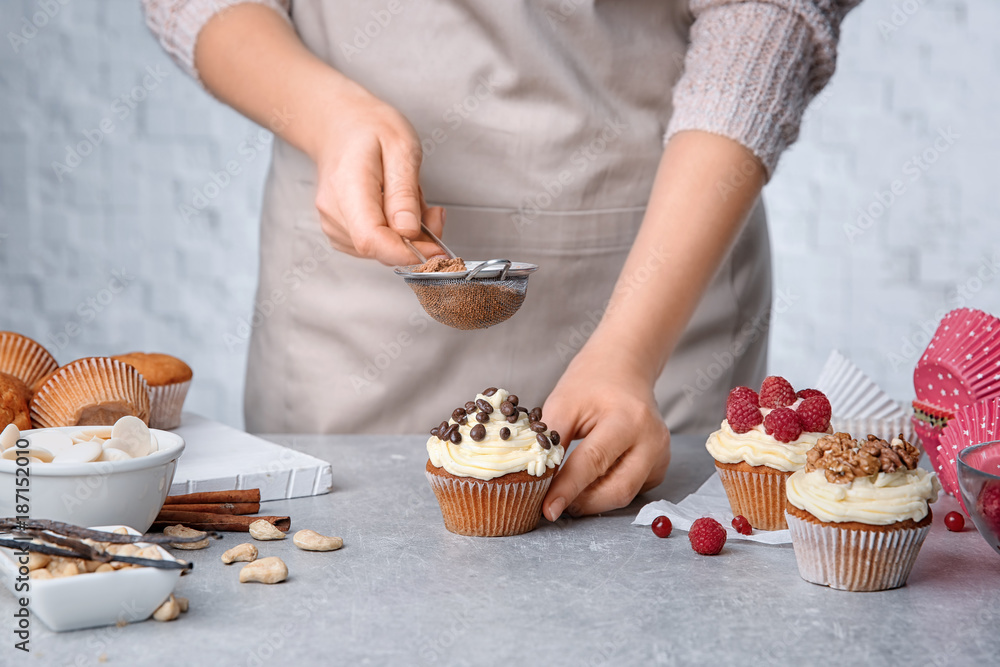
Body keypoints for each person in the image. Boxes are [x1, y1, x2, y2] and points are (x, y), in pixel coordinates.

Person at [143, 0, 859, 522]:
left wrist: (631, 350)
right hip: (355, 304)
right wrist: (324, 114)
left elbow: (770, 12)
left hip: (661, 266)